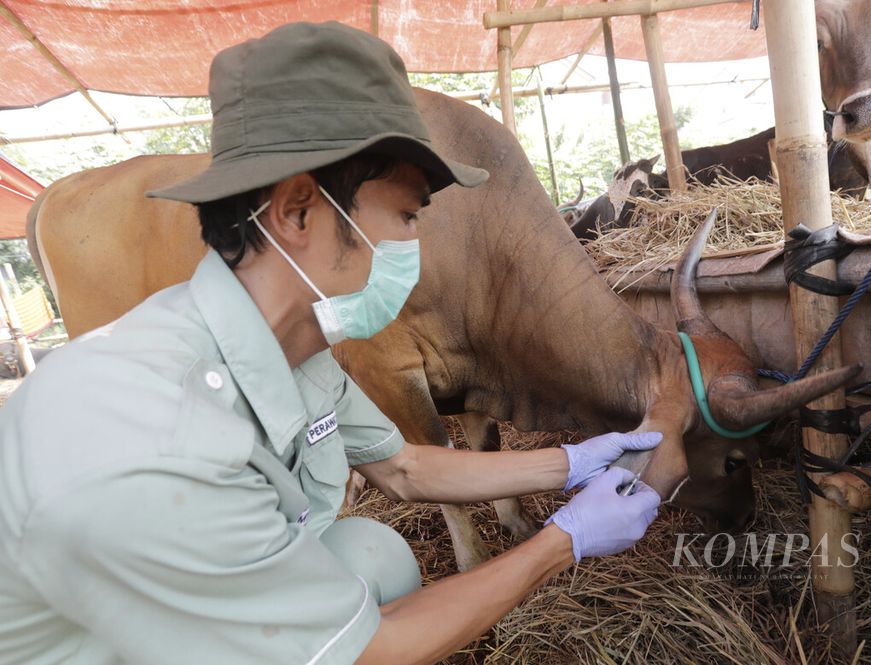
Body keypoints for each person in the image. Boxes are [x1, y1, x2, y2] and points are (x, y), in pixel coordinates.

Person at [0, 22, 663, 664]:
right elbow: (371, 651)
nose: (415, 247)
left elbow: (405, 467)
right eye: (406, 216)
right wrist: (564, 541)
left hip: (189, 608)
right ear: (296, 212)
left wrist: (573, 463)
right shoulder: (154, 445)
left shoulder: (297, 353)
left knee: (373, 553)